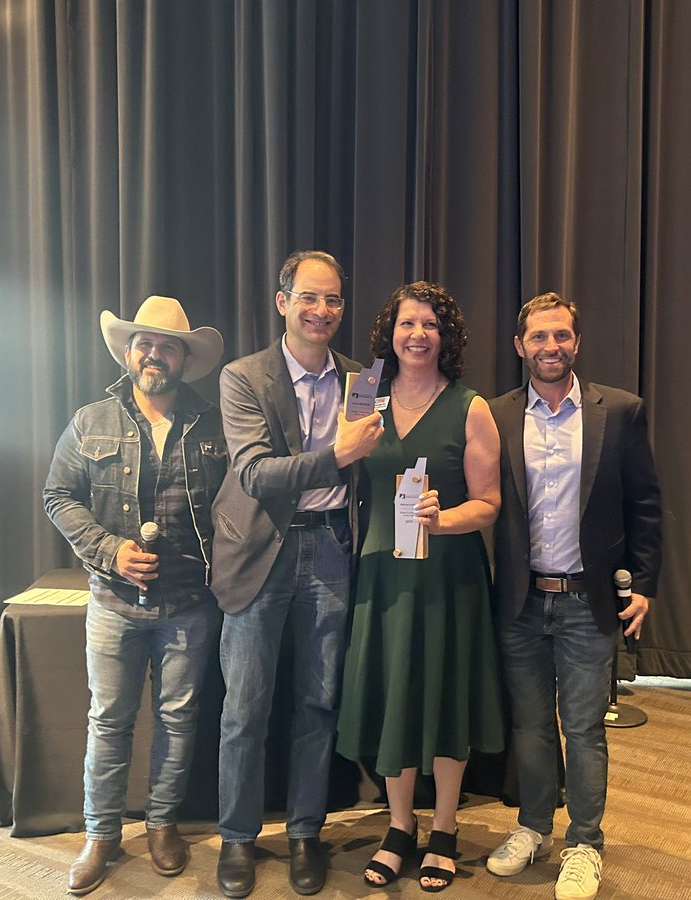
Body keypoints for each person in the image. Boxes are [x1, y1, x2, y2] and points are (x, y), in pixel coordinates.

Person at [210, 250, 384, 898]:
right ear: (283, 302)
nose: (322, 311)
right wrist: (332, 455)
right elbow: (256, 473)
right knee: (244, 709)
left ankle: (306, 832)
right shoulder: (242, 377)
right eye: (309, 298)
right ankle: (237, 838)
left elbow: (372, 464)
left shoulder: (362, 378)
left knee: (318, 703)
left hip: (333, 549)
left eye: (333, 300)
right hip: (259, 552)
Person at [43, 296, 228, 895]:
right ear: (129, 353)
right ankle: (101, 835)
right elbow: (58, 496)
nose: (155, 354)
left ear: (184, 359)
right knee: (109, 720)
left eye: (168, 345)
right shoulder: (89, 419)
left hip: (191, 604)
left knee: (178, 720)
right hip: (113, 601)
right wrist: (109, 550)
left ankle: (163, 823)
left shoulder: (216, 423)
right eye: (145, 343)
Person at [486, 292, 661, 899]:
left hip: (589, 603)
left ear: (576, 342)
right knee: (531, 726)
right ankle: (534, 826)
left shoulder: (621, 411)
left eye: (561, 336)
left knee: (583, 729)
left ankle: (585, 842)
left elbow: (645, 505)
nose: (550, 347)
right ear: (519, 345)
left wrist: (645, 585)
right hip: (520, 601)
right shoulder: (496, 413)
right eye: (538, 337)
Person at [336, 281, 505, 893]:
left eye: (430, 325)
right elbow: (336, 471)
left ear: (446, 337)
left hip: (447, 580)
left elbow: (489, 505)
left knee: (444, 695)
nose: (418, 335)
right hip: (382, 576)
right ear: (391, 333)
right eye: (408, 324)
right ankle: (400, 827)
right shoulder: (363, 400)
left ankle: (445, 829)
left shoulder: (470, 406)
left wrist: (445, 518)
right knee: (395, 697)